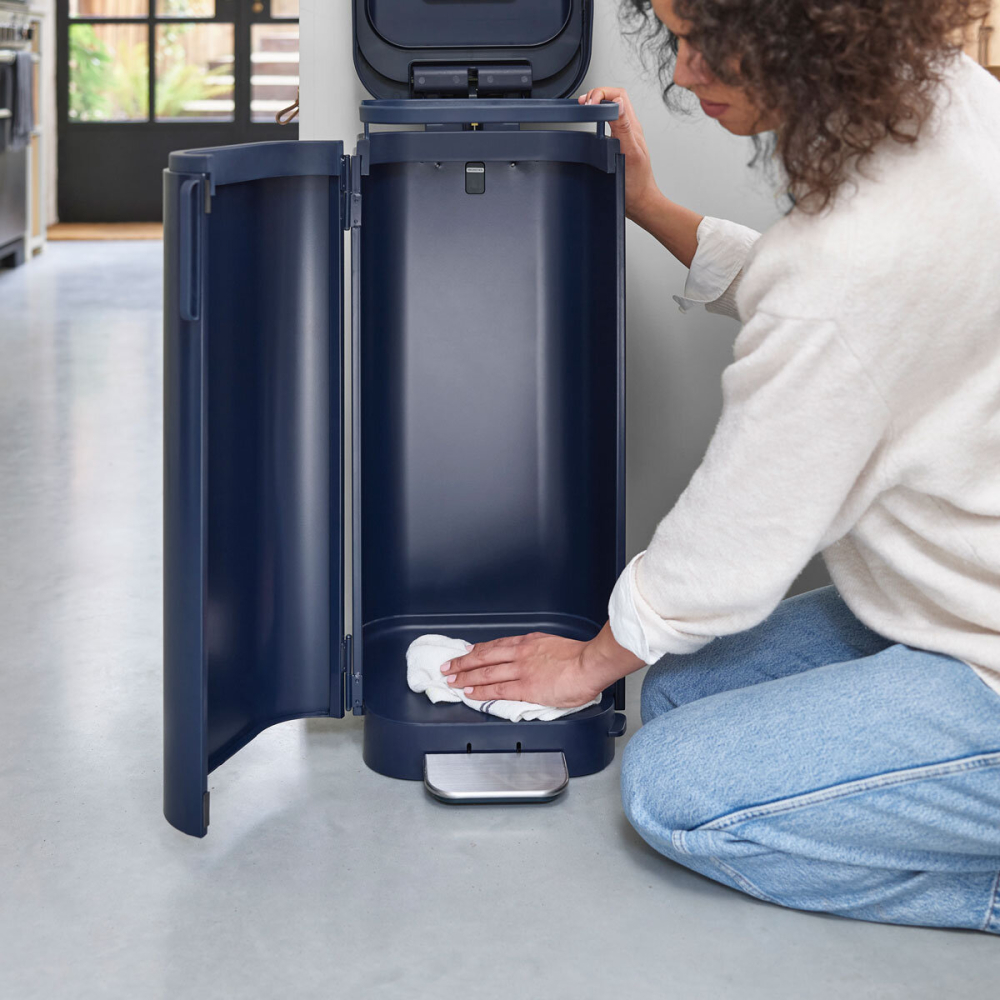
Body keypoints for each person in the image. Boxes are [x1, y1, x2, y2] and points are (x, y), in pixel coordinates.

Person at [439, 0, 1000, 933]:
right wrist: (651, 207)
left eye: (707, 42)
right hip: (964, 597)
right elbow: (833, 307)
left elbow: (733, 547)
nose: (682, 71)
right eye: (676, 35)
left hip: (986, 655)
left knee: (673, 790)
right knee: (679, 687)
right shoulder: (945, 99)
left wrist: (587, 662)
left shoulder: (856, 260)